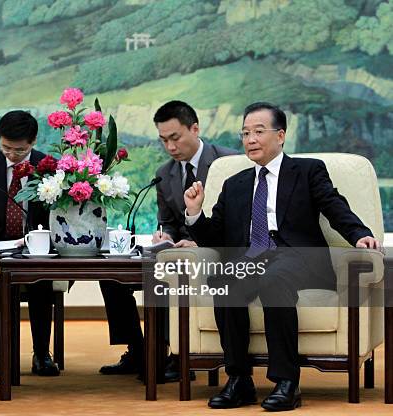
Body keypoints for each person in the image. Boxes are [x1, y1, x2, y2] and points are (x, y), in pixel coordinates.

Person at [184, 102, 382, 411]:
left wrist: (359, 234)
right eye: (245, 133)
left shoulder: (306, 170)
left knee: (273, 280)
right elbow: (216, 237)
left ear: (281, 135)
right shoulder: (234, 185)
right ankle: (239, 381)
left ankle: (287, 382)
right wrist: (195, 215)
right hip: (251, 259)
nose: (250, 139)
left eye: (259, 132)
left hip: (296, 257)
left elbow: (333, 205)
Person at [99, 101, 237, 378]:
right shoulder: (164, 173)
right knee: (111, 275)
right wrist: (166, 236)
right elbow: (170, 223)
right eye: (163, 140)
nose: (170, 147)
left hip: (219, 250)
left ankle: (177, 354)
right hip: (180, 250)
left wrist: (200, 244)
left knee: (169, 270)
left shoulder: (229, 163)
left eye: (175, 138)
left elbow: (239, 222)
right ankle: (140, 351)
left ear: (195, 128)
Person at [0, 110, 59, 377]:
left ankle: (42, 355)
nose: (11, 154)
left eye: (19, 150)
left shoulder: (49, 166)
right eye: (5, 147)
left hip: (39, 246)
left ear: (32, 142)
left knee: (40, 282)